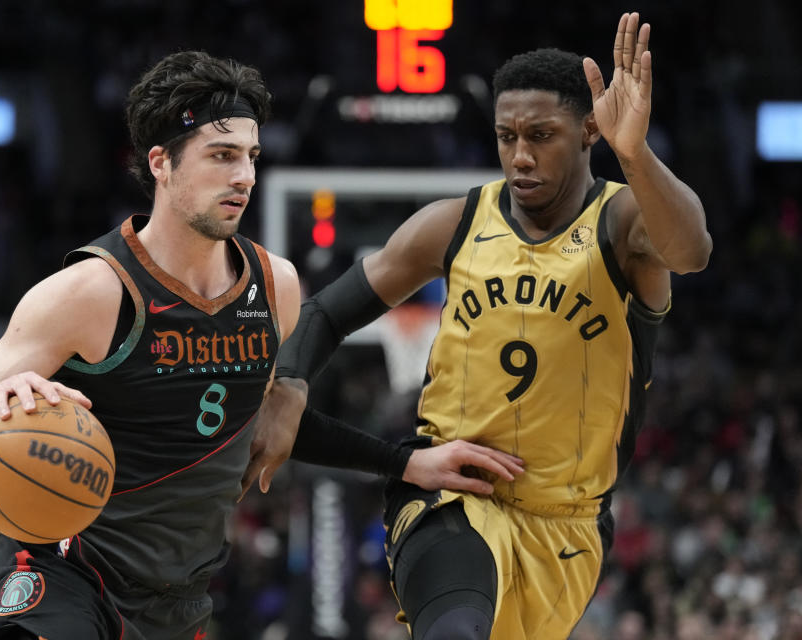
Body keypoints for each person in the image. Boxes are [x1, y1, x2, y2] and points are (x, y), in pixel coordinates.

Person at [247, 12, 712, 640]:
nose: (520, 155)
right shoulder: (455, 222)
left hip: (569, 522)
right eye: (506, 136)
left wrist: (637, 155)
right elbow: (326, 311)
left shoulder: (623, 222)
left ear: (589, 132)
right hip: (450, 495)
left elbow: (692, 252)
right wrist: (292, 384)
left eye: (542, 135)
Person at [0, 51, 295, 640]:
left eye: (250, 156)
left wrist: (302, 400)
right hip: (61, 575)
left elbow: (244, 407)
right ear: (161, 163)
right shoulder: (91, 292)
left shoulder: (276, 288)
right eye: (222, 156)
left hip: (182, 597)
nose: (244, 176)